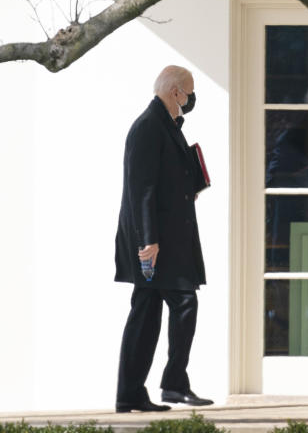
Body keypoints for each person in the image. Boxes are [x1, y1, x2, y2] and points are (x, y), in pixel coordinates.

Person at [114, 65, 212, 412]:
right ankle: (171, 384)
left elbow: (166, 180)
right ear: (176, 92)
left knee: (146, 313)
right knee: (183, 303)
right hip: (156, 244)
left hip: (163, 241)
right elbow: (141, 190)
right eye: (189, 92)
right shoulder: (147, 127)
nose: (190, 99)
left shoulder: (165, 126)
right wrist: (148, 242)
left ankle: (131, 393)